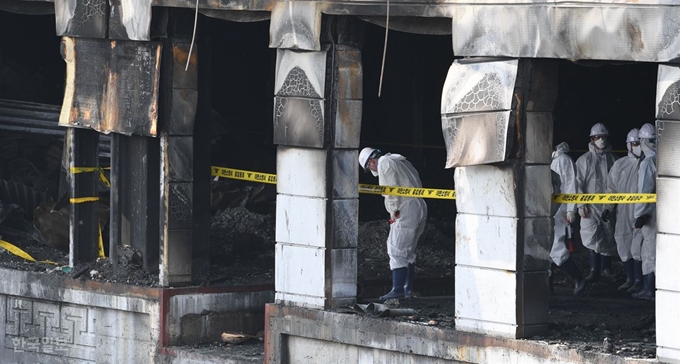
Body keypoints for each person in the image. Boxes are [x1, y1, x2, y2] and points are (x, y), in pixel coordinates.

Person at [358, 147, 428, 301]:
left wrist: (393, 211)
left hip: (405, 207)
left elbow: (390, 191)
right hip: (419, 204)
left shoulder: (384, 163)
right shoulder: (398, 159)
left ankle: (398, 290)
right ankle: (407, 290)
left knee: (395, 248)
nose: (371, 169)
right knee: (408, 250)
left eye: (369, 166)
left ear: (371, 161)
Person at [575, 123, 618, 283]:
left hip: (607, 206)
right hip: (590, 208)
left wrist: (611, 206)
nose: (600, 140)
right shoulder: (584, 160)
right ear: (592, 139)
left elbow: (615, 185)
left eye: (603, 137)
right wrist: (580, 204)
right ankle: (594, 271)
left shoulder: (613, 159)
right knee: (591, 236)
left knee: (608, 236)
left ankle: (605, 269)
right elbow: (577, 183)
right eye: (597, 137)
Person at [603, 129, 644, 292]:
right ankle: (630, 279)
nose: (637, 147)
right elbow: (610, 189)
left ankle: (640, 280)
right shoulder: (620, 165)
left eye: (639, 143)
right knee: (622, 241)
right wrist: (607, 207)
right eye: (634, 144)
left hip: (642, 211)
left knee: (640, 246)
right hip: (623, 212)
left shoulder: (648, 163)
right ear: (628, 145)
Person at [549, 142, 585, 295]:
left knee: (555, 247)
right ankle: (548, 288)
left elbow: (571, 185)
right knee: (548, 248)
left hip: (560, 209)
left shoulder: (563, 160)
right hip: (549, 207)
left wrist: (572, 209)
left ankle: (578, 277)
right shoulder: (550, 159)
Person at [631, 123, 657, 300]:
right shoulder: (668, 156)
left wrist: (639, 214)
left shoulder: (648, 162)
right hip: (667, 211)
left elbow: (644, 191)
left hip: (651, 214)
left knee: (649, 250)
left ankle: (649, 289)